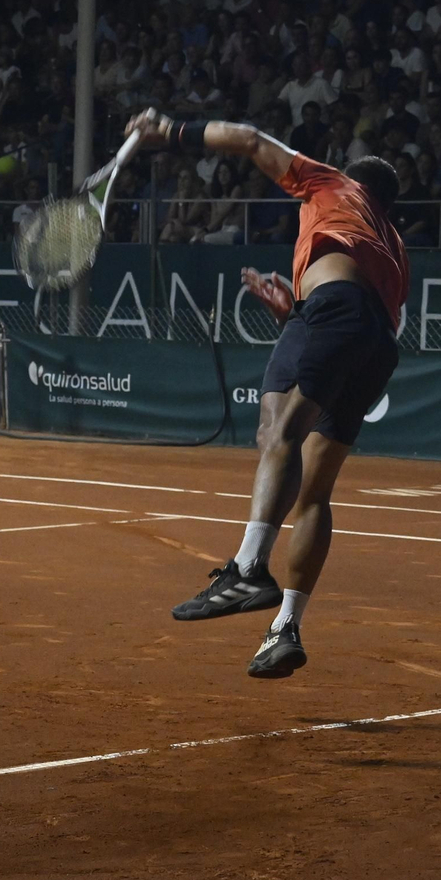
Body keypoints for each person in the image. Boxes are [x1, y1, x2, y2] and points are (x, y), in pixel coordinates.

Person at [125, 106, 408, 680]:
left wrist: (170, 132)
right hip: (376, 342)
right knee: (314, 493)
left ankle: (249, 569)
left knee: (276, 431)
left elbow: (250, 140)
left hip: (334, 313)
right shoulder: (394, 249)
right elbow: (361, 330)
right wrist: (297, 314)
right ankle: (285, 627)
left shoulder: (332, 185)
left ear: (354, 180)